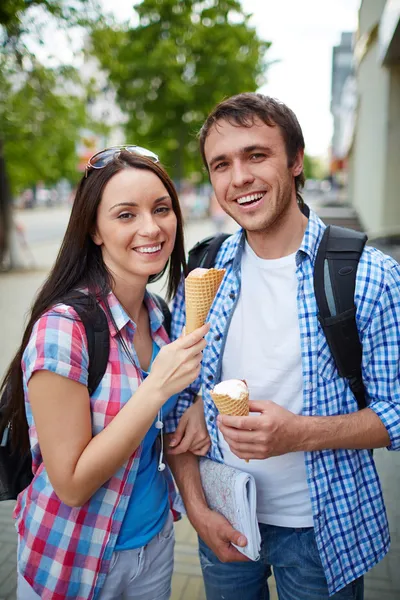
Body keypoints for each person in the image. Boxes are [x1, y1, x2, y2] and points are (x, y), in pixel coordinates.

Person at [165, 93, 400, 599]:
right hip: (225, 514)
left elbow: (397, 412)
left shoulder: (369, 276)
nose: (239, 178)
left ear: (295, 161)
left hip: (323, 531)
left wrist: (300, 434)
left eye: (256, 155)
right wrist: (197, 508)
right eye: (221, 164)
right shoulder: (204, 271)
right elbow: (176, 404)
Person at [0, 146, 210, 600]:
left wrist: (195, 407)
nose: (151, 228)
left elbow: (168, 422)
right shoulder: (64, 328)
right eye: (125, 215)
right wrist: (156, 387)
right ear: (94, 228)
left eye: (160, 209)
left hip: (154, 547)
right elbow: (72, 484)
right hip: (72, 558)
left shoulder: (161, 316)